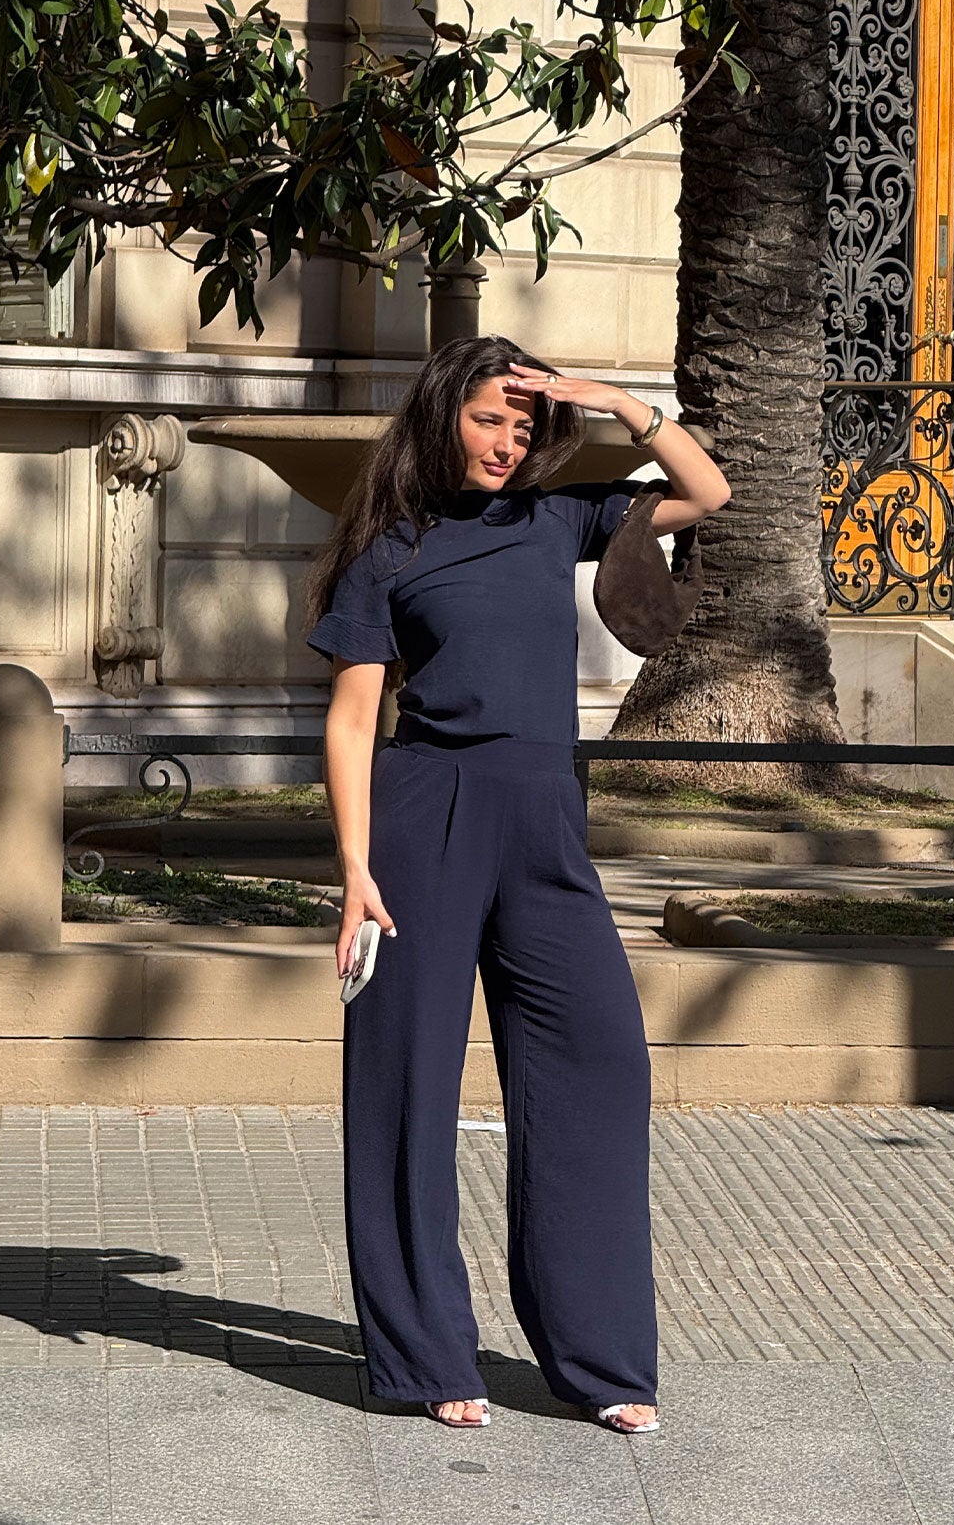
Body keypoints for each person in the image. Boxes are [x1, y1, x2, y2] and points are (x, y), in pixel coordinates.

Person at [304, 334, 731, 1435]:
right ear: (444, 415)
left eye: (523, 422)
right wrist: (354, 869)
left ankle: (599, 1360)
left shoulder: (562, 518)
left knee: (601, 1060)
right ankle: (425, 1354)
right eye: (488, 417)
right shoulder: (388, 550)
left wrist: (616, 402)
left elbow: (708, 490)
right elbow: (352, 720)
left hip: (545, 817)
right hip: (423, 817)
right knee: (405, 1084)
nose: (506, 440)